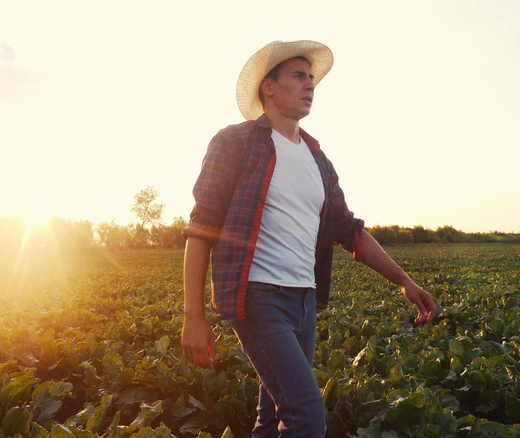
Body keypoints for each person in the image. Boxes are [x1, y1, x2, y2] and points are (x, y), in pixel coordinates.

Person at [181, 40, 436, 437]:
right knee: (305, 413)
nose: (310, 85)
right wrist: (193, 316)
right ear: (268, 86)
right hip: (258, 297)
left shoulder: (318, 159)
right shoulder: (235, 142)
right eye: (299, 76)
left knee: (272, 418)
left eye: (312, 78)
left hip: (304, 303)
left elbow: (348, 230)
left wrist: (405, 281)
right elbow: (200, 230)